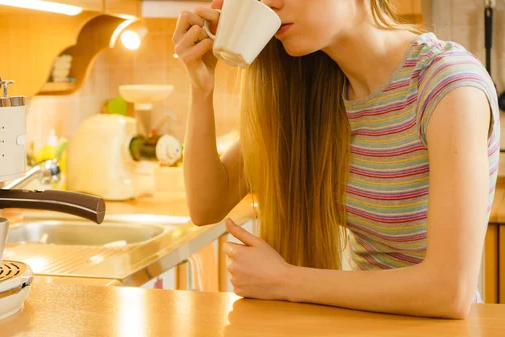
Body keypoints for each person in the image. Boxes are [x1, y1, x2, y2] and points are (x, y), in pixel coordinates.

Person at [174, 0, 500, 319]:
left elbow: (449, 291)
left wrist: (284, 279)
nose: (270, 3)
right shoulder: (313, 86)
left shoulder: (446, 85)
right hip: (358, 323)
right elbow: (207, 205)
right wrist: (200, 89)